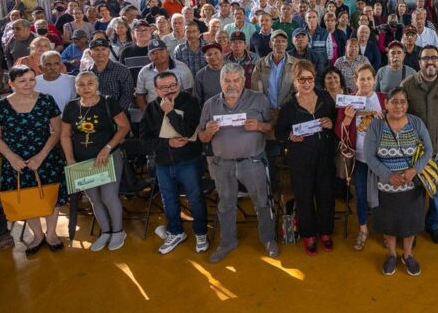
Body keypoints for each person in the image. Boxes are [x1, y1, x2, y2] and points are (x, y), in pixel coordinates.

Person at [197, 65, 278, 261]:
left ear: (243, 81)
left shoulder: (259, 99)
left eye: (236, 80)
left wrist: (259, 126)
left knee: (262, 202)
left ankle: (268, 239)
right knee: (225, 205)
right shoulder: (210, 104)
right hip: (222, 164)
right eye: (227, 80)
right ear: (220, 81)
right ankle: (227, 242)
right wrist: (208, 131)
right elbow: (202, 136)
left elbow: (271, 128)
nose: (231, 85)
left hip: (253, 161)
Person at [0, 65, 66, 254]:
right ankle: (38, 235)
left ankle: (51, 234)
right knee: (25, 197)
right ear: (11, 83)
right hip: (16, 162)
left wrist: (41, 156)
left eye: (32, 79)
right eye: (22, 80)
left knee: (51, 196)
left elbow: (57, 131)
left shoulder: (46, 101)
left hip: (45, 158)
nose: (28, 84)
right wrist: (11, 157)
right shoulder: (0, 106)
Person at [363, 87, 433, 276]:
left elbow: (428, 150)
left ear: (407, 104)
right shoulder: (375, 126)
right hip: (385, 188)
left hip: (412, 187)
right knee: (389, 224)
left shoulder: (416, 123)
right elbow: (369, 156)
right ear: (386, 104)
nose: (398, 106)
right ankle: (392, 254)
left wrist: (414, 170)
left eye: (402, 101)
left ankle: (408, 255)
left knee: (410, 223)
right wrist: (388, 176)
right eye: (394, 101)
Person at [60, 72, 131, 252]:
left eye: (90, 83)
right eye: (81, 85)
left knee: (109, 196)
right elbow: (65, 135)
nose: (86, 88)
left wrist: (107, 148)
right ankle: (105, 231)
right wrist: (69, 159)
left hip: (108, 158)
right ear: (76, 87)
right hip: (83, 161)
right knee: (94, 198)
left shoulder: (108, 102)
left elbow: (124, 127)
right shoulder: (71, 107)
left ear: (97, 84)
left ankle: (118, 231)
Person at [139, 71, 208, 255]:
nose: (169, 91)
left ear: (179, 84)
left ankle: (201, 232)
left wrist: (170, 113)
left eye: (173, 85)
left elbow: (187, 131)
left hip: (188, 161)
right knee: (169, 200)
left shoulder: (191, 102)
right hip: (163, 162)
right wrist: (166, 143)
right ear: (156, 90)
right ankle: (176, 231)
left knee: (195, 198)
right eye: (164, 88)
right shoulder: (152, 108)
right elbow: (145, 139)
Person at [401, 44, 438, 243]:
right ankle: (414, 227)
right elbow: (399, 117)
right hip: (413, 153)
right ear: (419, 62)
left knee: (437, 193)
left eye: (434, 58)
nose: (430, 61)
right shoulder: (407, 85)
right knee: (414, 193)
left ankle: (433, 225)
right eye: (426, 58)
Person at [276, 60, 337, 256]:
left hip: (325, 156)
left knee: (326, 195)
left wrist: (331, 122)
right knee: (304, 196)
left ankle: (326, 232)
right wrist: (289, 137)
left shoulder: (326, 99)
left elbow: (337, 122)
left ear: (314, 78)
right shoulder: (289, 107)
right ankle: (308, 234)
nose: (306, 83)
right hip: (300, 159)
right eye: (301, 79)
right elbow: (279, 133)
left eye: (309, 78)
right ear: (295, 81)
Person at [335, 63, 387, 250]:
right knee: (361, 194)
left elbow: (396, 125)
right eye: (361, 78)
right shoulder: (348, 101)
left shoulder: (383, 99)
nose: (365, 82)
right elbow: (339, 132)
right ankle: (363, 229)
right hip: (359, 157)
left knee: (384, 194)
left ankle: (384, 228)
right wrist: (347, 119)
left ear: (374, 80)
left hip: (382, 158)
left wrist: (386, 121)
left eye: (368, 78)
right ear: (355, 80)